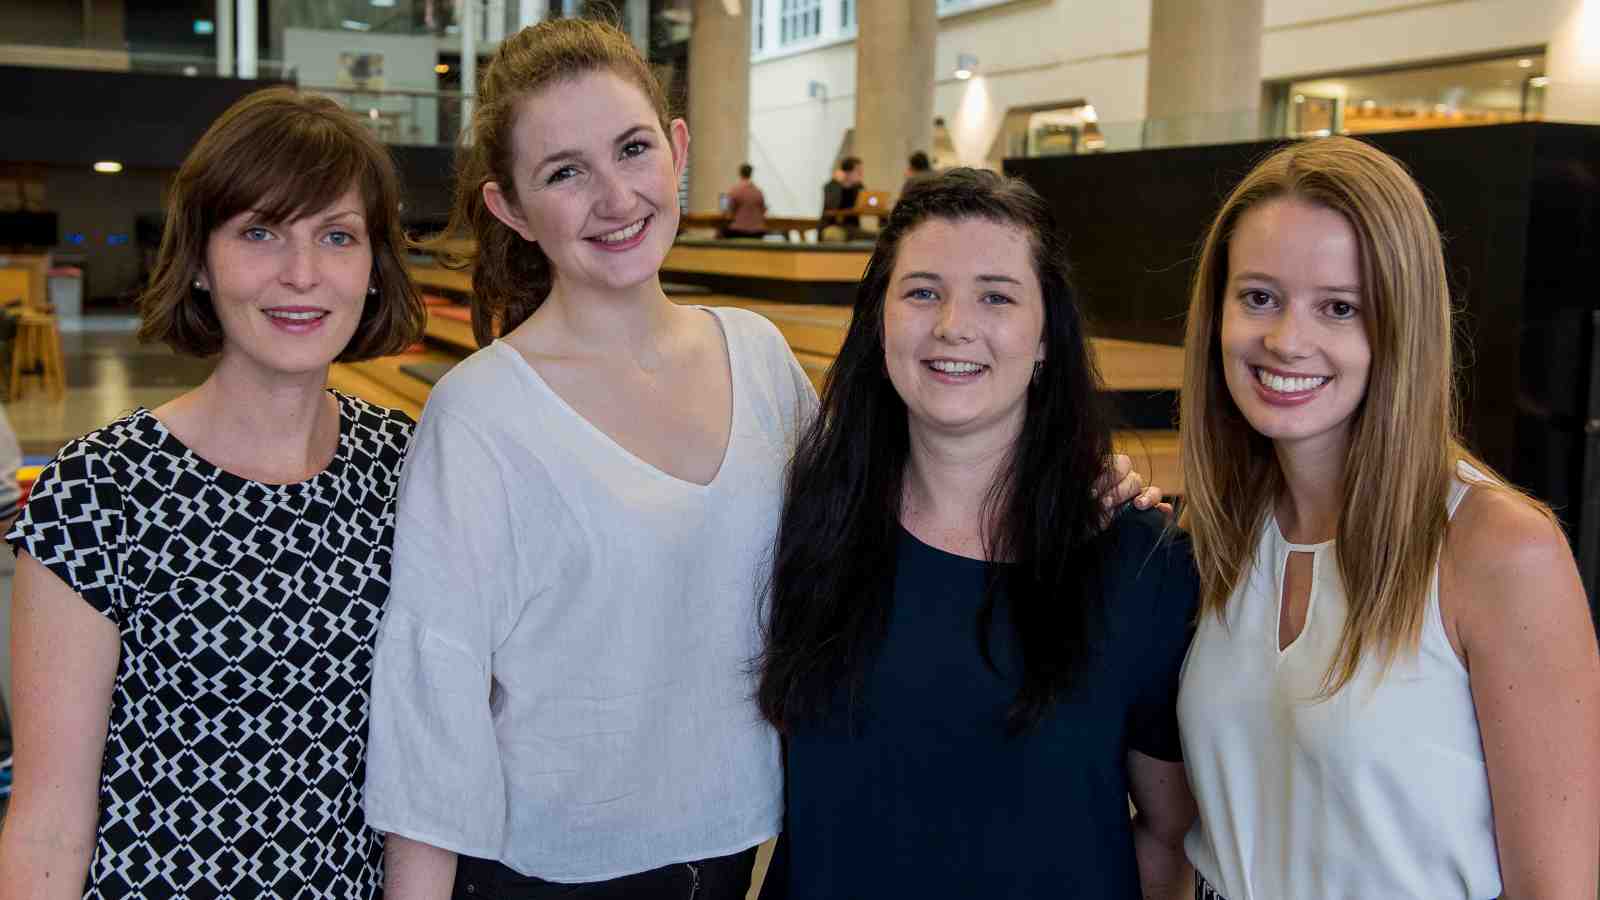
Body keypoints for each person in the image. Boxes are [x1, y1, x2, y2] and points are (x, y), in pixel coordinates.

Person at [363, 21, 1164, 900]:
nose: (615, 195)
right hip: (552, 871)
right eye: (564, 172)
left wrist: (1079, 479)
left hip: (742, 850)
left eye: (632, 150)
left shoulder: (758, 358)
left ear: (676, 149)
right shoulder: (480, 414)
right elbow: (430, 715)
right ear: (510, 206)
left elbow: (892, 492)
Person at [0, 86, 426, 899]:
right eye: (260, 232)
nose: (302, 274)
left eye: (337, 236)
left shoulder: (407, 467)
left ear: (373, 268)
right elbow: (49, 819)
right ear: (199, 259)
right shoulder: (99, 491)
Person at [1175, 137, 1600, 899]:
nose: (1285, 340)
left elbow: (1557, 888)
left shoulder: (1501, 551)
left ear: (1401, 328)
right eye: (1259, 297)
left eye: (1339, 308)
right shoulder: (1219, 531)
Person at [756, 169, 1199, 899]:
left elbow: (1169, 831)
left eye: (996, 295)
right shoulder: (805, 525)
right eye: (923, 291)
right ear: (880, 320)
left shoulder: (1137, 563)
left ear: (1047, 335)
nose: (953, 325)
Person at [820, 156, 862, 241]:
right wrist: (837, 183)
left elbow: (862, 207)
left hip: (853, 228)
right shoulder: (832, 186)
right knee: (832, 235)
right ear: (847, 172)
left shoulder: (859, 188)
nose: (861, 174)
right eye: (858, 171)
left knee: (879, 237)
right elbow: (832, 205)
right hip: (833, 226)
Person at [720, 163, 766, 239]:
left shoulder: (735, 190)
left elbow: (728, 211)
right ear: (751, 174)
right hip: (757, 233)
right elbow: (763, 211)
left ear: (740, 173)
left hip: (739, 231)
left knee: (721, 231)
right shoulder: (758, 192)